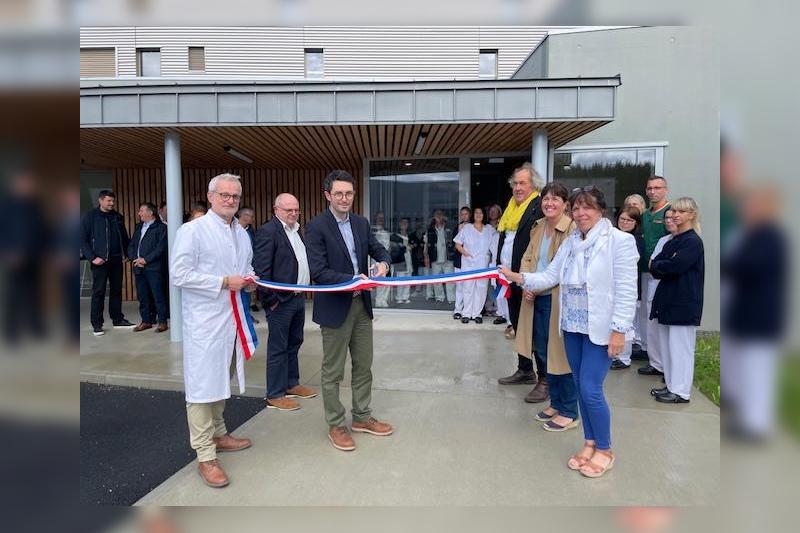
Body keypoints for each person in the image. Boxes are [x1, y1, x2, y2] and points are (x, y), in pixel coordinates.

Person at [501, 186, 638, 478]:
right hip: (572, 326)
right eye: (576, 208)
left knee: (590, 390)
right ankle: (589, 443)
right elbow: (550, 276)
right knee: (579, 382)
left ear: (601, 209)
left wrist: (619, 330)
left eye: (587, 207)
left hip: (600, 329)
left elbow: (627, 290)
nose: (581, 213)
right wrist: (518, 277)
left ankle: (605, 449)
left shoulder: (619, 241)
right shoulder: (572, 242)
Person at [170, 173, 257, 488]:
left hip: (231, 321)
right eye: (225, 195)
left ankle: (219, 434)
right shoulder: (192, 231)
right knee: (202, 389)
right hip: (204, 323)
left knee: (224, 379)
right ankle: (206, 456)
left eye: (235, 196)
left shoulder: (241, 233)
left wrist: (250, 278)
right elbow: (179, 275)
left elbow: (245, 267)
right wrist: (222, 282)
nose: (231, 200)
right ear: (210, 197)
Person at [305, 170, 394, 452]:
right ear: (328, 195)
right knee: (332, 371)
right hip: (335, 307)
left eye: (350, 193)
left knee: (363, 365)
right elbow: (318, 272)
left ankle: (362, 417)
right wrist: (354, 279)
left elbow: (380, 250)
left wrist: (383, 265)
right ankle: (335, 424)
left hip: (361, 305)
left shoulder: (361, 223)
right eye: (339, 194)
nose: (345, 199)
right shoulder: (317, 226)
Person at [722, 186, 788, 439]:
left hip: (762, 314)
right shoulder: (752, 234)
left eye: (753, 205)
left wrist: (731, 264)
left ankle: (757, 425)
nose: (746, 209)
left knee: (759, 369)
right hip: (747, 313)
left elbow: (752, 266)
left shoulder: (770, 236)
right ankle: (748, 418)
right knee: (748, 368)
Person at [514, 183, 578, 412]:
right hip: (533, 292)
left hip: (555, 295)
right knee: (538, 343)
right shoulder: (538, 226)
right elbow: (528, 257)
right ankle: (547, 384)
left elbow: (562, 269)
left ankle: (552, 389)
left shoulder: (572, 229)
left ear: (565, 204)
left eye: (555, 199)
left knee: (555, 348)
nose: (549, 203)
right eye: (546, 199)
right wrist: (527, 283)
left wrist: (536, 285)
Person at [253, 193, 317, 411]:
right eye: (288, 209)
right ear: (276, 210)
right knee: (278, 347)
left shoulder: (298, 230)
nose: (293, 213)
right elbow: (261, 270)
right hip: (280, 301)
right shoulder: (267, 232)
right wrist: (272, 301)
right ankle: (275, 393)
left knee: (294, 342)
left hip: (299, 298)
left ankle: (291, 383)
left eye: (296, 209)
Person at [649, 198, 705, 403]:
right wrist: (664, 263)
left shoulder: (692, 241)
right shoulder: (673, 241)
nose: (675, 215)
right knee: (668, 348)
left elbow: (675, 266)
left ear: (691, 215)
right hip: (668, 301)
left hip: (684, 303)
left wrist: (664, 263)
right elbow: (655, 265)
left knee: (681, 349)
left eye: (681, 211)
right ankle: (671, 386)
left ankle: (681, 391)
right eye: (674, 211)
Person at [496, 163, 544, 384]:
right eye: (515, 183)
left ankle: (545, 378)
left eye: (522, 183)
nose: (517, 187)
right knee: (517, 325)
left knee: (535, 331)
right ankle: (525, 370)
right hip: (509, 279)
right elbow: (506, 240)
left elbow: (540, 247)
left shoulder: (538, 206)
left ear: (533, 185)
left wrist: (532, 283)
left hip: (528, 280)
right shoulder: (510, 207)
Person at [80, 189, 133, 336]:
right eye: (109, 201)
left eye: (113, 201)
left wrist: (127, 253)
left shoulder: (117, 217)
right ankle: (97, 324)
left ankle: (118, 319)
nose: (111, 203)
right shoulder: (89, 217)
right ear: (100, 200)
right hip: (99, 261)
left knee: (116, 290)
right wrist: (92, 257)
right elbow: (81, 239)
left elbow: (124, 236)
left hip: (116, 259)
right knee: (99, 292)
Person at [637, 176, 671, 375]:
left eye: (657, 188)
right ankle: (653, 359)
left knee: (657, 319)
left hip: (660, 273)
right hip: (644, 270)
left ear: (665, 190)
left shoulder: (670, 212)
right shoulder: (646, 215)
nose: (652, 192)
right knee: (646, 316)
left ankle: (661, 364)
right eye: (649, 188)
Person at [611, 208, 645, 369]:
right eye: (622, 219)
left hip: (629, 289)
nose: (624, 223)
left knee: (627, 323)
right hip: (613, 288)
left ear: (636, 224)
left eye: (629, 220)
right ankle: (617, 356)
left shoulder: (635, 240)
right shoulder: (613, 237)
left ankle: (624, 358)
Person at [127, 202, 169, 333]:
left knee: (158, 295)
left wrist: (146, 260)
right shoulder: (139, 227)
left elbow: (160, 248)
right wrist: (135, 258)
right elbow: (132, 244)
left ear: (150, 213)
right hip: (138, 267)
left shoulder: (161, 228)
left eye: (141, 211)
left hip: (153, 267)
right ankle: (146, 321)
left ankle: (162, 322)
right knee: (143, 296)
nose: (139, 213)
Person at [453, 206, 497, 324]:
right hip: (468, 264)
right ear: (473, 215)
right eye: (476, 213)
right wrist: (466, 254)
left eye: (481, 213)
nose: (478, 215)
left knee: (481, 289)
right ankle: (466, 314)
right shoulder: (467, 228)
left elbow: (496, 244)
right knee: (467, 289)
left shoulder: (489, 230)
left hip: (483, 265)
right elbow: (457, 244)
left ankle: (477, 314)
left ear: (484, 215)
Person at [423, 209, 456, 304]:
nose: (439, 217)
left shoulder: (449, 227)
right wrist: (426, 256)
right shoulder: (430, 230)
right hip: (435, 258)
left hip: (448, 258)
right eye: (436, 215)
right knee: (437, 281)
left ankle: (452, 299)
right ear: (434, 217)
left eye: (441, 215)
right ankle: (439, 298)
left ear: (444, 216)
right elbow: (426, 244)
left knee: (450, 280)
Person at [452, 206, 472, 319]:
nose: (464, 216)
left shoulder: (474, 226)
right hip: (459, 261)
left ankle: (468, 310)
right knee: (459, 286)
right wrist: (460, 230)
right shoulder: (457, 227)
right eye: (462, 214)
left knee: (469, 287)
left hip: (471, 262)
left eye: (466, 214)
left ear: (470, 215)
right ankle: (458, 310)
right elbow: (454, 243)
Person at [484, 203, 503, 318]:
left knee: (498, 285)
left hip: (498, 260)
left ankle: (498, 308)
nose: (492, 213)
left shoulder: (502, 225)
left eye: (495, 211)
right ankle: (488, 307)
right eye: (491, 211)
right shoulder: (485, 227)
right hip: (487, 259)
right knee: (488, 286)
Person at [389, 217, 414, 304]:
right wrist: (404, 247)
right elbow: (394, 247)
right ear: (399, 224)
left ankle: (406, 297)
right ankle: (399, 297)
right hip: (400, 259)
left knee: (408, 278)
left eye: (406, 223)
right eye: (402, 223)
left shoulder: (410, 235)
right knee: (400, 279)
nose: (404, 224)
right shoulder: (395, 236)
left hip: (409, 259)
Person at [371, 211, 392, 308]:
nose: (380, 220)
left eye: (382, 218)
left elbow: (388, 247)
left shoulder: (387, 232)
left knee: (386, 281)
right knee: (378, 281)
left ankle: (384, 300)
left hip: (386, 259)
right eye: (379, 218)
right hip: (375, 260)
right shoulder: (372, 232)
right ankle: (378, 301)